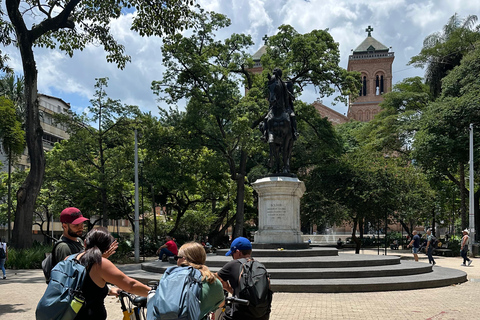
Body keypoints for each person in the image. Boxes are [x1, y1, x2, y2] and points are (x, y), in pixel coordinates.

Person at [74, 227, 151, 320]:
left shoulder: (71, 258)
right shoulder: (100, 264)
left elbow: (85, 286)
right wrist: (153, 292)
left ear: (85, 243)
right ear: (107, 247)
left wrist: (109, 290)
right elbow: (131, 285)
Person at [216, 237, 272, 320]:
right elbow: (246, 294)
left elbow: (213, 278)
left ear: (238, 252)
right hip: (261, 314)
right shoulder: (260, 266)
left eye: (232, 254)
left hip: (240, 314)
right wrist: (230, 289)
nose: (232, 257)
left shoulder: (233, 264)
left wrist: (226, 287)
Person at [175, 242, 225, 319]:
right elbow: (221, 304)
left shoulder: (170, 277)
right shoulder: (212, 281)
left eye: (177, 257)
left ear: (183, 259)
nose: (176, 261)